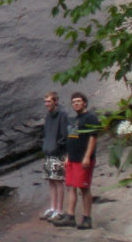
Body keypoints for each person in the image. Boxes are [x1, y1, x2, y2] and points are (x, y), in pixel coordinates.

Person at [52, 92, 99, 230]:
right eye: (73, 102)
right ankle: (70, 216)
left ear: (84, 102)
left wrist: (87, 156)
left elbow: (93, 138)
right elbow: (71, 139)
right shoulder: (74, 120)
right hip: (72, 159)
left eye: (78, 101)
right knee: (71, 186)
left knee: (84, 188)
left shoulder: (91, 118)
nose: (76, 104)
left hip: (83, 159)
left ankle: (87, 218)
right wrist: (67, 156)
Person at [40, 91, 69, 221]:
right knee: (51, 180)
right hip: (48, 151)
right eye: (45, 101)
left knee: (58, 181)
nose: (47, 104)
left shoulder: (62, 115)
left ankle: (59, 210)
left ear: (55, 101)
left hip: (57, 153)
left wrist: (60, 148)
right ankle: (52, 207)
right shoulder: (48, 116)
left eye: (49, 101)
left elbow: (65, 134)